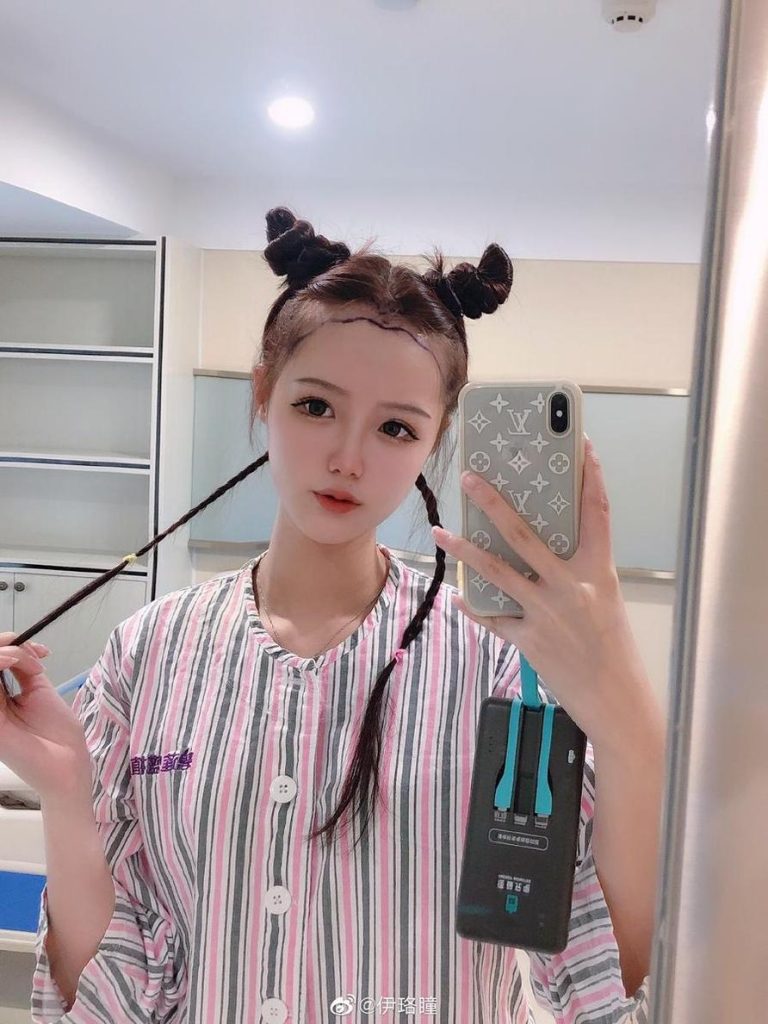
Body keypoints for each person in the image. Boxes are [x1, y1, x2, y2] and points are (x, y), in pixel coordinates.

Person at [0, 207, 665, 1023]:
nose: (349, 457)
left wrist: (629, 720)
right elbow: (112, 999)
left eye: (396, 427)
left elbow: (599, 977)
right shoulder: (149, 652)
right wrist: (66, 792)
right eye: (317, 406)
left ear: (435, 441)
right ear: (264, 393)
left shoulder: (498, 663)